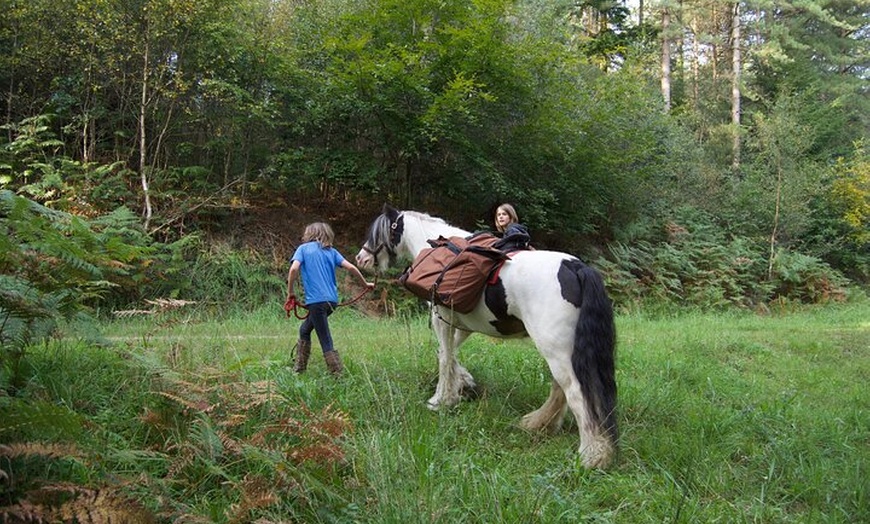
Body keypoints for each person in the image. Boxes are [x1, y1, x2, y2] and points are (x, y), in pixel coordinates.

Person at [287, 222, 375, 375]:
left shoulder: (303, 249)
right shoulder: (332, 252)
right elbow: (352, 268)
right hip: (331, 302)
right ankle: (299, 368)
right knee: (305, 329)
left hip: (316, 302)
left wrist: (290, 292)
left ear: (309, 234)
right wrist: (365, 284)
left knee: (324, 337)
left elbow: (294, 268)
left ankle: (336, 372)